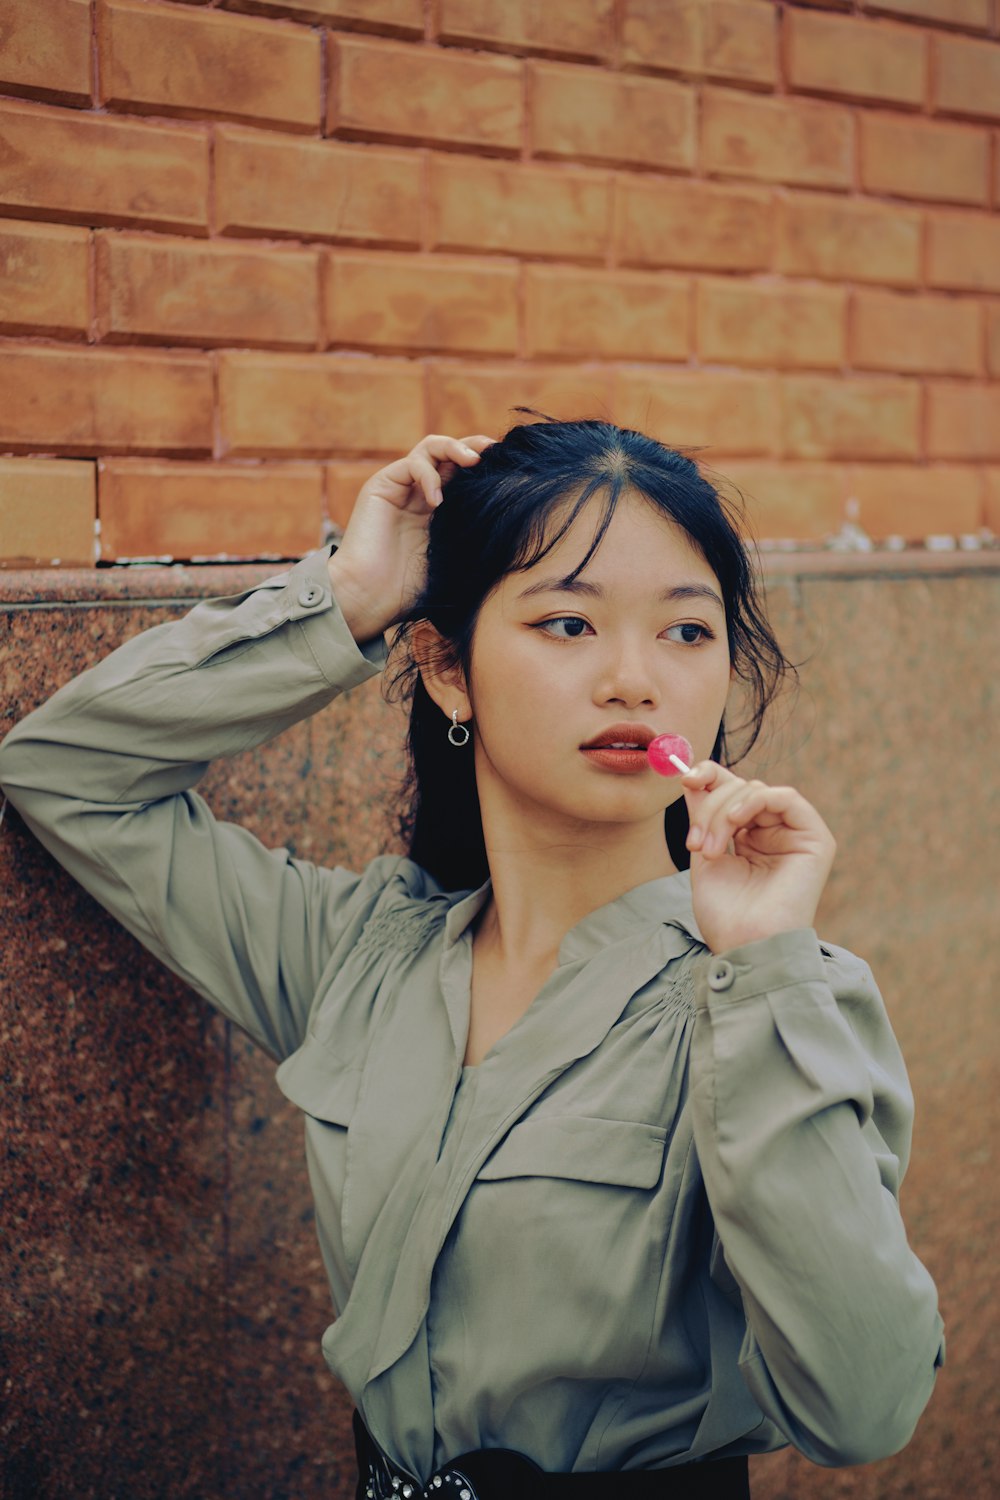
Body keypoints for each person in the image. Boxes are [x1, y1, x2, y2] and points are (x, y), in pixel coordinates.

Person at [0, 418, 944, 1499]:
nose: (635, 680)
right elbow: (65, 773)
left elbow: (867, 1405)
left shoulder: (769, 994)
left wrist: (761, 967)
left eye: (686, 633)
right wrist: (349, 598)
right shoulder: (356, 957)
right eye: (567, 623)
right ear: (446, 667)